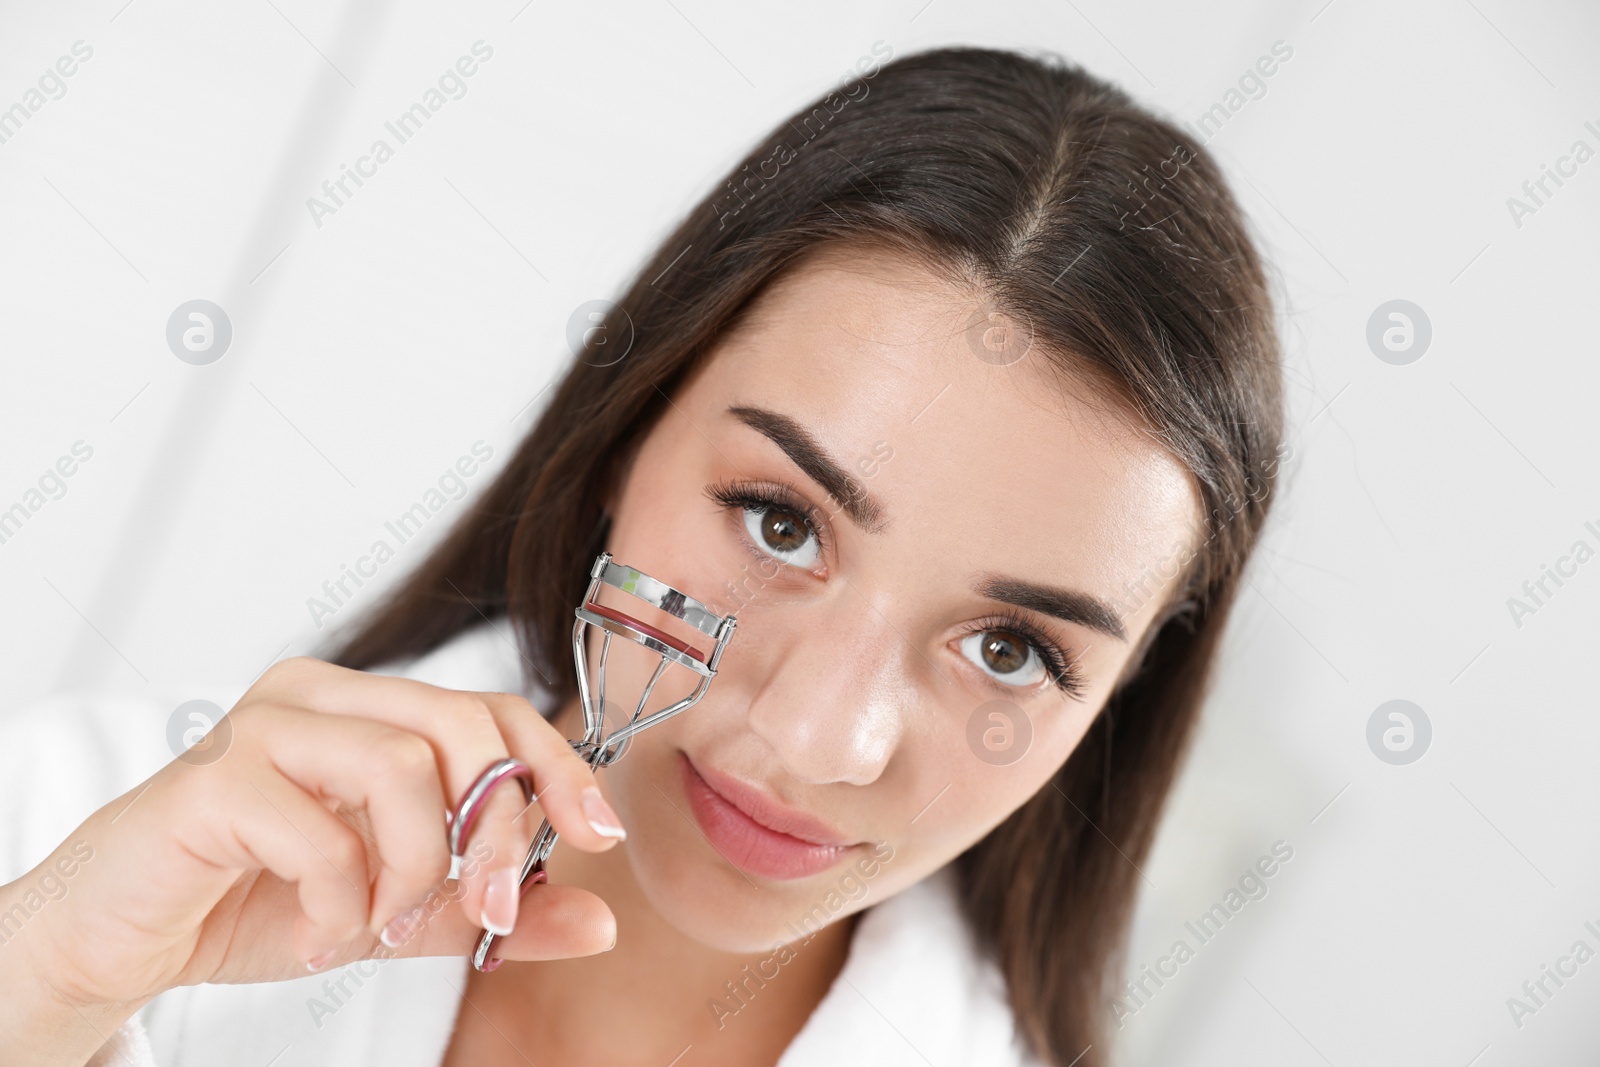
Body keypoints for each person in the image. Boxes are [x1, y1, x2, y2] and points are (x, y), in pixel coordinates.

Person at [0, 44, 1286, 1067]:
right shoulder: (66, 839)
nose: (818, 738)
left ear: (1114, 703)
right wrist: (48, 983)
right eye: (781, 521)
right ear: (630, 435)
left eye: (1010, 649)